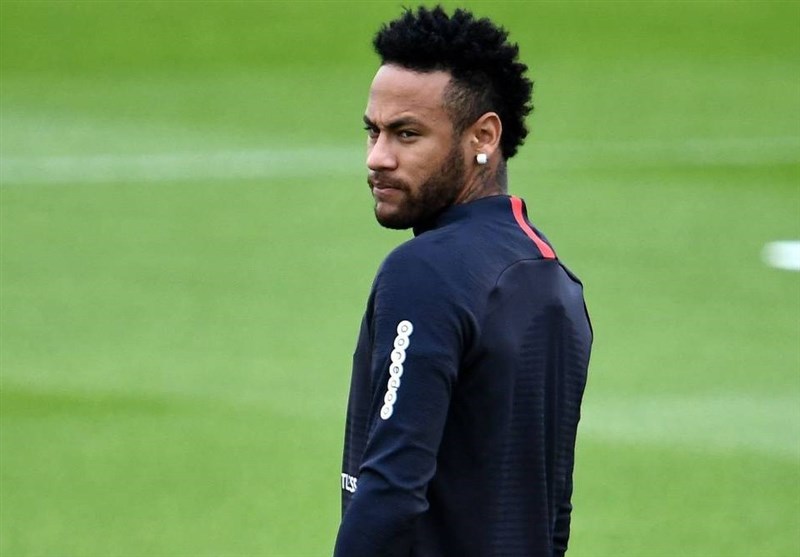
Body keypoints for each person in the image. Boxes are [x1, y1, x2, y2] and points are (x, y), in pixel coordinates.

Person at [334, 6, 592, 557]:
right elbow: (553, 510)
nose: (378, 158)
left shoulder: (425, 271)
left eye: (406, 134)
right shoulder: (554, 278)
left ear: (484, 135)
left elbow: (391, 487)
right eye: (373, 131)